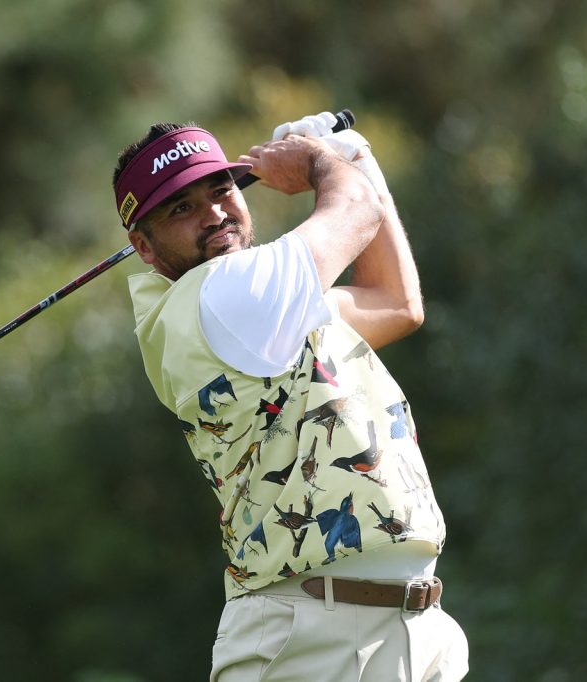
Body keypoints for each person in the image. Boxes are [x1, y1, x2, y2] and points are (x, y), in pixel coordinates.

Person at [112, 113, 468, 681]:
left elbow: (395, 301)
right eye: (182, 208)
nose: (215, 214)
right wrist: (323, 162)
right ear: (144, 247)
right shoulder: (219, 298)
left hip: (404, 627)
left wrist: (355, 158)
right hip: (312, 637)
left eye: (221, 188)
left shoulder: (263, 306)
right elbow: (355, 211)